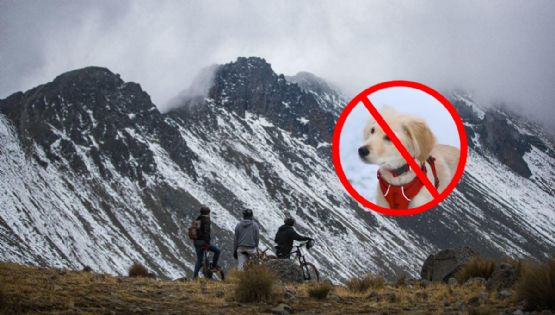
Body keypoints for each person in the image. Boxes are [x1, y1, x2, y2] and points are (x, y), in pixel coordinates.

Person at [193, 206, 221, 279]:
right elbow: (206, 233)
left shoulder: (197, 219)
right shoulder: (206, 220)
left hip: (196, 242)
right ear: (208, 213)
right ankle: (214, 266)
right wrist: (207, 244)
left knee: (199, 260)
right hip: (204, 242)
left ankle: (195, 277)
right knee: (217, 251)